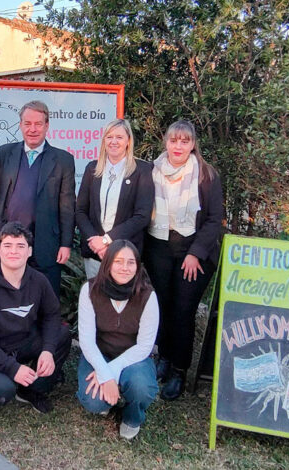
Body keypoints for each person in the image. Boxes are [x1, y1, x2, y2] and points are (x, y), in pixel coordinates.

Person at [0, 222, 71, 415]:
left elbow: (51, 315)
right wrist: (12, 368)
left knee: (62, 335)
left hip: (16, 341)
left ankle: (29, 390)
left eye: (20, 246)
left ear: (29, 251)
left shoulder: (39, 281)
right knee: (2, 391)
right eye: (7, 245)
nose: (13, 251)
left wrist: (48, 351)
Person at [143, 120, 224, 400]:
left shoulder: (206, 175)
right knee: (163, 306)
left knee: (183, 309)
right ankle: (163, 359)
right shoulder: (150, 171)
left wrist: (195, 253)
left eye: (185, 141)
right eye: (174, 140)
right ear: (166, 142)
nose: (178, 147)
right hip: (158, 247)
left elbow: (214, 220)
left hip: (195, 251)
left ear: (193, 145)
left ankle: (179, 370)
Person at [0, 100, 75, 296]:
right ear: (20, 125)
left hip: (47, 244)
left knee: (44, 300)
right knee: (9, 297)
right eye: (27, 123)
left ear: (47, 126)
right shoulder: (4, 153)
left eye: (38, 124)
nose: (33, 129)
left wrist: (65, 244)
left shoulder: (63, 160)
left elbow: (68, 206)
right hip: (11, 242)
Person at [76, 239, 159, 440]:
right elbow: (86, 341)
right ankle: (108, 400)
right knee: (93, 400)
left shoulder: (148, 296)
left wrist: (109, 372)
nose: (124, 267)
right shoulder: (90, 290)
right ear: (108, 263)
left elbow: (145, 346)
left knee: (141, 388)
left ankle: (132, 416)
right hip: (99, 353)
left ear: (138, 266)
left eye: (131, 262)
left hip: (134, 357)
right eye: (118, 261)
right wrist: (103, 371)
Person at [75, 119, 154, 278]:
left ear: (128, 141)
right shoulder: (92, 168)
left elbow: (142, 216)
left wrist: (106, 240)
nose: (114, 142)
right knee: (96, 300)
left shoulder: (142, 171)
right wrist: (96, 244)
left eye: (119, 137)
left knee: (123, 301)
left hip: (125, 254)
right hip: (95, 253)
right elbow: (80, 211)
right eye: (109, 137)